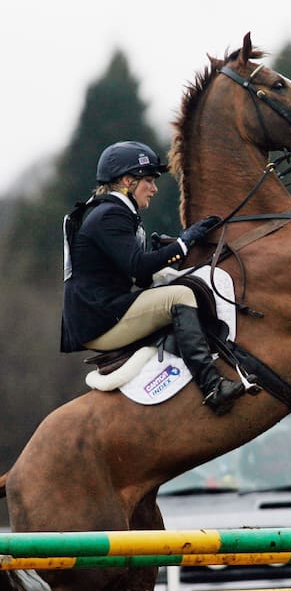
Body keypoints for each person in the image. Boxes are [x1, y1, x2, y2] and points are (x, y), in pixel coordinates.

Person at [61, 140, 244, 415]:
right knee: (180, 296)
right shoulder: (111, 214)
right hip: (101, 320)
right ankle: (211, 386)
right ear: (126, 181)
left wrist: (172, 254)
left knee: (177, 285)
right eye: (148, 180)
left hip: (106, 311)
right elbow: (139, 267)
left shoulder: (117, 212)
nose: (155, 188)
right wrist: (184, 243)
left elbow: (141, 277)